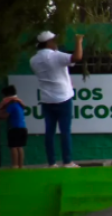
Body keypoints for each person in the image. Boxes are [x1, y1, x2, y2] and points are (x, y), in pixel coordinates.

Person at [30, 31, 83, 168]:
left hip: (47, 99)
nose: (56, 43)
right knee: (65, 131)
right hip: (63, 97)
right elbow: (77, 57)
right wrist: (78, 42)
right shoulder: (55, 56)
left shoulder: (33, 60)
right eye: (54, 40)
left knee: (49, 132)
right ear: (48, 42)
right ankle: (67, 161)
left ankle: (51, 162)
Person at [0, 86, 27, 168]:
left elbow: (4, 116)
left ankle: (15, 165)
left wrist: (1, 106)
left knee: (13, 147)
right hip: (23, 128)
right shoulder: (19, 104)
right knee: (19, 147)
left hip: (14, 128)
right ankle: (20, 166)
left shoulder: (11, 105)